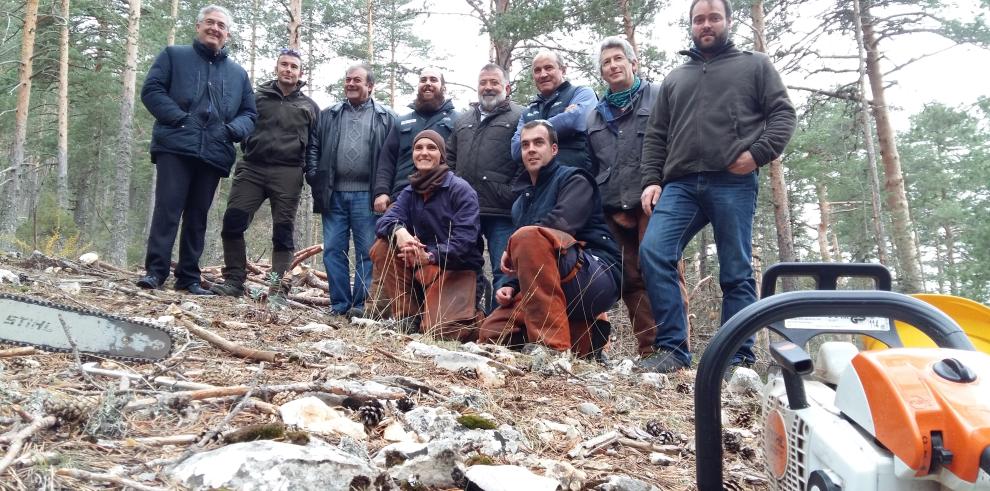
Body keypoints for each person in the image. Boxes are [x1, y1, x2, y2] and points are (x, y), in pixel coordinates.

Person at [637, 0, 797, 373]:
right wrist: (651, 180)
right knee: (654, 252)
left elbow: (783, 114)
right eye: (699, 20)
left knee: (736, 270)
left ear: (728, 21)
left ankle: (736, 357)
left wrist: (757, 154)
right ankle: (673, 350)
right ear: (691, 26)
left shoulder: (754, 65)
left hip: (733, 180)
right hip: (680, 184)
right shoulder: (676, 78)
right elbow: (656, 135)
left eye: (713, 18)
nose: (706, 25)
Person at [137, 5, 256, 295]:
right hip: (176, 147)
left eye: (221, 26)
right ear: (198, 26)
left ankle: (188, 277)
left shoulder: (237, 74)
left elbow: (249, 114)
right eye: (210, 23)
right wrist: (178, 118)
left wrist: (230, 131)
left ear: (227, 34)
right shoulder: (174, 56)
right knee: (167, 210)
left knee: (197, 217)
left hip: (214, 153)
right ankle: (155, 272)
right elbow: (151, 91)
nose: (215, 29)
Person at [480, 121, 620, 358]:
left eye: (538, 142)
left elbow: (563, 224)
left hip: (594, 276)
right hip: (546, 284)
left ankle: (552, 350)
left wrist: (512, 243)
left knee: (527, 237)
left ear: (554, 149)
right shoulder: (520, 203)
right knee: (491, 333)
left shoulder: (575, 179)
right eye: (525, 145)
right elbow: (530, 259)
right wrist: (510, 285)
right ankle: (584, 339)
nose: (531, 149)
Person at [587, 36, 688, 357]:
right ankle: (649, 351)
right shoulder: (594, 115)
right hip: (614, 208)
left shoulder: (660, 97)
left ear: (634, 63)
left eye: (619, 59)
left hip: (655, 199)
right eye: (606, 62)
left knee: (661, 268)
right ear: (602, 72)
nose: (613, 65)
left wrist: (667, 185)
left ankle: (676, 349)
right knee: (630, 278)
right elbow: (594, 163)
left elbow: (677, 145)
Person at [210, 48, 319, 298]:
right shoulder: (256, 97)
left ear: (301, 72)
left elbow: (315, 144)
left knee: (282, 234)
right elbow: (239, 122)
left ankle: (277, 286)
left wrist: (311, 172)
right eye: (284, 64)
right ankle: (234, 280)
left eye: (293, 66)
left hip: (289, 173)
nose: (288, 69)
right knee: (232, 223)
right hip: (252, 168)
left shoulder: (310, 107)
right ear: (276, 67)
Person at [370, 130, 484, 339]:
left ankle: (476, 316)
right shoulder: (410, 191)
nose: (424, 153)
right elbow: (384, 221)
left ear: (442, 155)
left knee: (442, 332)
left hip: (455, 269)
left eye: (431, 148)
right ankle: (408, 317)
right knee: (382, 245)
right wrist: (399, 231)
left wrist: (430, 256)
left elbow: (465, 243)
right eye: (418, 148)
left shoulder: (460, 190)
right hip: (419, 269)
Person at [306, 63, 396, 317]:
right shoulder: (329, 114)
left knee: (368, 252)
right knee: (333, 250)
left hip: (369, 197)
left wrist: (385, 190)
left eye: (357, 80)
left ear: (370, 86)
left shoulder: (386, 117)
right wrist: (314, 175)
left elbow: (392, 157)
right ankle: (339, 304)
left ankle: (361, 306)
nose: (351, 84)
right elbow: (313, 146)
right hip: (333, 193)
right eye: (348, 80)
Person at [447, 64, 523, 311]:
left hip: (503, 210)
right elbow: (449, 157)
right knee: (465, 266)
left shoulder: (520, 116)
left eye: (494, 83)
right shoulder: (463, 120)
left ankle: (498, 328)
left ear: (506, 87)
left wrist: (511, 192)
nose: (488, 88)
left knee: (506, 270)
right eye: (483, 83)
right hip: (466, 211)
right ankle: (466, 319)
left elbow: (527, 159)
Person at [374, 68, 457, 212]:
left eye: (433, 80)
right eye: (423, 80)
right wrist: (381, 191)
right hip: (402, 195)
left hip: (443, 195)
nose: (428, 83)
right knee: (392, 232)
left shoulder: (458, 120)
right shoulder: (401, 121)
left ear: (443, 87)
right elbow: (387, 160)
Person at [510, 52, 596, 174]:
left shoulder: (582, 93)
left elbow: (575, 121)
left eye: (548, 68)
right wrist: (562, 119)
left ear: (563, 70)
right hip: (536, 186)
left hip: (573, 179)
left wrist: (530, 132)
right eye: (537, 70)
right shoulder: (528, 111)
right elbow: (516, 151)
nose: (543, 74)